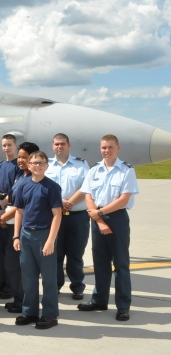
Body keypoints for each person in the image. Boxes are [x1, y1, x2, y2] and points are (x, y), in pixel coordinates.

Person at [78, 134, 139, 322]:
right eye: (104, 147)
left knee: (120, 265)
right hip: (97, 219)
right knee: (100, 263)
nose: (107, 151)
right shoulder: (94, 170)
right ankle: (99, 300)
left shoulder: (126, 170)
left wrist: (100, 213)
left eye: (110, 147)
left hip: (117, 219)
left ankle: (123, 306)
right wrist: (99, 218)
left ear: (118, 148)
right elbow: (87, 195)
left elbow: (124, 199)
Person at [12, 151, 63, 330]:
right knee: (28, 277)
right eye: (34, 162)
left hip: (44, 235)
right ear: (29, 165)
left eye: (41, 163)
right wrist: (16, 235)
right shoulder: (23, 185)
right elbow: (19, 211)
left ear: (46, 166)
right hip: (26, 235)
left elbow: (57, 215)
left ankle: (49, 314)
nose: (37, 166)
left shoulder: (52, 187)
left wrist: (50, 241)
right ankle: (29, 311)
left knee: (48, 278)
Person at [44, 133, 90, 300]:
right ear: (52, 146)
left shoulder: (80, 164)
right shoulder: (47, 165)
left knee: (75, 254)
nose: (59, 147)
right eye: (56, 144)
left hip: (77, 216)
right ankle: (55, 286)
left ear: (69, 145)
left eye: (62, 144)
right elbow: (42, 188)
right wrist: (58, 202)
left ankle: (77, 286)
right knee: (55, 254)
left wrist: (69, 201)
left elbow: (86, 187)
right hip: (55, 216)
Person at [0, 142, 40, 313]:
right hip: (11, 226)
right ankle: (18, 298)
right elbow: (12, 196)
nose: (20, 160)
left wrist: (4, 216)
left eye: (25, 157)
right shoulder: (21, 176)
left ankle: (23, 300)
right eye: (20, 156)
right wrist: (0, 207)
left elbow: (22, 205)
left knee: (18, 266)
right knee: (12, 265)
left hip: (22, 228)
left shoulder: (33, 178)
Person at [0, 134, 22, 300]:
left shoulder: (18, 165)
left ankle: (10, 285)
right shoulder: (0, 164)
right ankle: (1, 282)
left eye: (9, 145)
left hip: (9, 209)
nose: (6, 148)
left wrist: (1, 206)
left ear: (15, 145)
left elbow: (15, 190)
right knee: (0, 251)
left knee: (10, 253)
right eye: (4, 145)